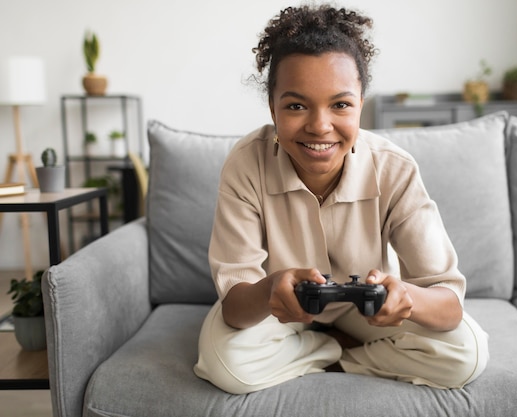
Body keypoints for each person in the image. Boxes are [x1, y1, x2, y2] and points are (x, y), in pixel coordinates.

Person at [194, 4, 489, 395]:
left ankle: (330, 357)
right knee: (226, 363)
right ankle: (330, 349)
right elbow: (235, 305)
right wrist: (270, 288)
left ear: (361, 105)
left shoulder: (394, 169)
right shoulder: (246, 164)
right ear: (273, 109)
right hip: (282, 311)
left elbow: (449, 304)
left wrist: (407, 298)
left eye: (341, 104)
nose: (319, 126)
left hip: (366, 316)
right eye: (296, 105)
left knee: (467, 351)